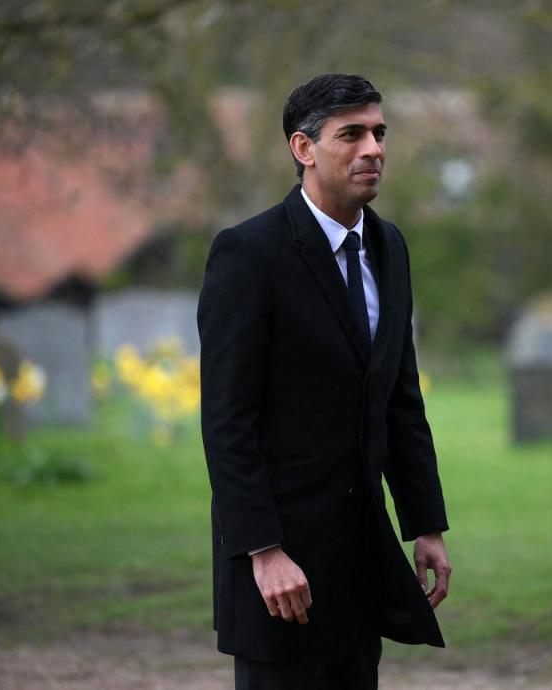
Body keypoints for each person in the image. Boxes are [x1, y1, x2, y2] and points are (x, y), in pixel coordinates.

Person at [197, 73, 451, 690]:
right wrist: (263, 551)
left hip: (362, 560)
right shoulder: (247, 254)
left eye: (379, 133)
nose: (374, 149)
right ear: (303, 149)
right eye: (352, 135)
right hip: (279, 571)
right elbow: (228, 421)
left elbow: (400, 400)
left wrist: (426, 524)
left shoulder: (390, 248)